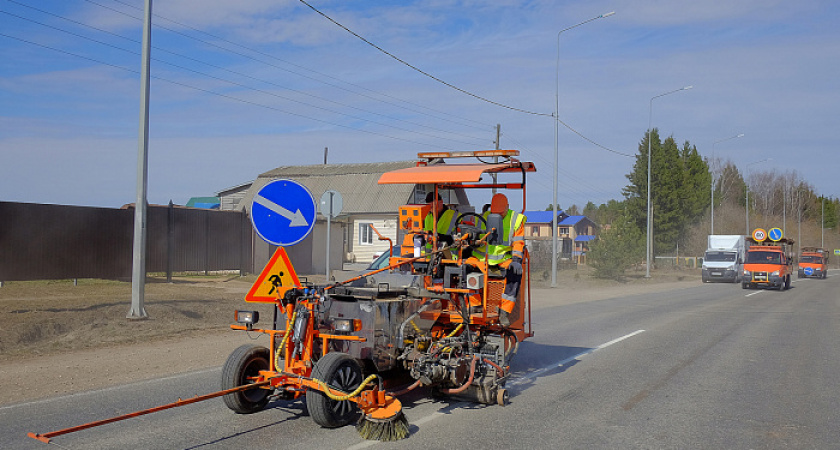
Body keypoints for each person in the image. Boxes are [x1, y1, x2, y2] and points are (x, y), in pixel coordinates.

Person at [474, 193, 526, 326]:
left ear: (507, 207)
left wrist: (516, 260)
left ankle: (503, 312)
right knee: (466, 268)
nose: (498, 215)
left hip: (504, 259)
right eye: (494, 212)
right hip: (482, 258)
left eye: (501, 212)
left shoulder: (516, 220)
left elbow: (518, 242)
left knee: (514, 275)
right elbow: (475, 237)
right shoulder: (483, 218)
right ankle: (474, 305)